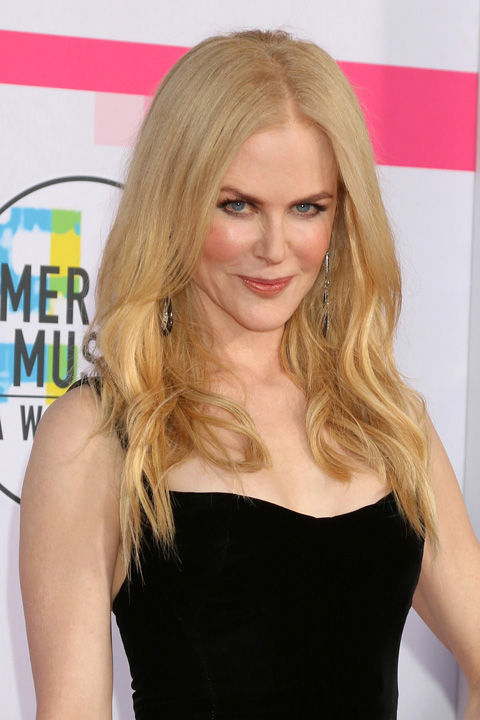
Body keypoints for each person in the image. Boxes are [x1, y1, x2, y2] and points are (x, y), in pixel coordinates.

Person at [19, 29, 480, 720]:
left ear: (341, 215)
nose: (275, 248)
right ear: (174, 202)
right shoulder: (100, 432)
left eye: (307, 208)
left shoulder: (388, 420)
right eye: (237, 205)